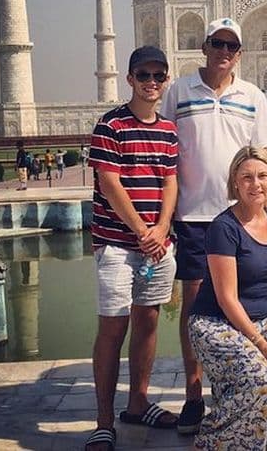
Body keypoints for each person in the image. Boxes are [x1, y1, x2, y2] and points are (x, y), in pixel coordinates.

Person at [161, 17, 267, 433]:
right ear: (205, 47)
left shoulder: (253, 95)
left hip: (240, 216)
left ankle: (231, 388)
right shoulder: (179, 91)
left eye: (232, 47)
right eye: (217, 44)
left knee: (241, 301)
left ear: (240, 53)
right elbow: (165, 149)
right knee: (194, 306)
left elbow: (263, 155)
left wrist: (266, 206)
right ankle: (194, 393)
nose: (224, 52)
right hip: (194, 215)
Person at [188, 147, 267, 450]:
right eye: (246, 177)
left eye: (262, 176)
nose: (255, 184)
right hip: (218, 322)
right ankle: (214, 440)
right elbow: (227, 299)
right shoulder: (224, 228)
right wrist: (260, 343)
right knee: (260, 377)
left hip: (265, 316)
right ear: (235, 184)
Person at [84, 46, 179, 451]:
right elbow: (109, 183)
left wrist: (161, 228)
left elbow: (170, 183)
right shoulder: (111, 126)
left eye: (159, 75)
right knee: (113, 327)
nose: (152, 82)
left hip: (156, 245)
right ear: (130, 79)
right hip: (118, 246)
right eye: (144, 75)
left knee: (149, 322)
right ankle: (104, 421)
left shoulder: (168, 130)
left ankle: (137, 403)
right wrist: (144, 230)